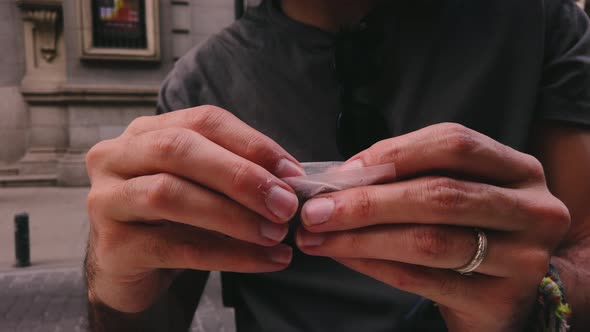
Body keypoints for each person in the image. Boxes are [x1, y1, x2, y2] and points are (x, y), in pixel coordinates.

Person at [84, 0, 590, 331]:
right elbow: (147, 316)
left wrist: (539, 294)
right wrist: (112, 280)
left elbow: (582, 243)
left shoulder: (538, 22)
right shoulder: (200, 82)